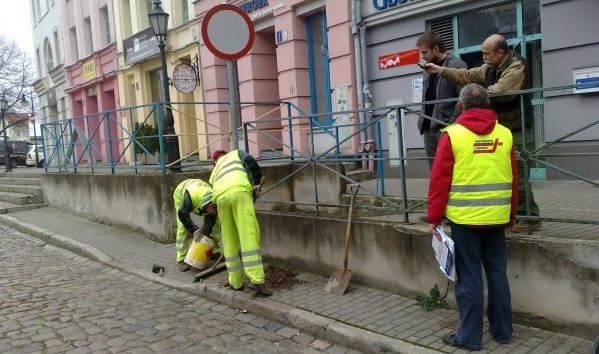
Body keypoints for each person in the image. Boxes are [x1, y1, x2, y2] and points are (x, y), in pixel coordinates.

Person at [427, 83, 517, 351]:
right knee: (498, 273)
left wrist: (434, 217)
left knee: (469, 278)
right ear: (489, 105)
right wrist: (511, 216)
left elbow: (439, 180)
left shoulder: (452, 135)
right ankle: (503, 332)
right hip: (497, 218)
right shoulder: (505, 134)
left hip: (465, 220)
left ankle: (469, 337)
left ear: (460, 106)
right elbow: (514, 179)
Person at [424, 33, 541, 233]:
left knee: (519, 174)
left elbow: (502, 91)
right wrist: (441, 70)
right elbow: (467, 75)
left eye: (487, 54)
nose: (484, 58)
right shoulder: (491, 67)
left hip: (518, 127)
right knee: (505, 173)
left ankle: (530, 217)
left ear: (500, 52)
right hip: (502, 127)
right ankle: (515, 215)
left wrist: (476, 97)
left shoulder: (516, 66)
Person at [208, 149, 272, 297]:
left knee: (230, 240)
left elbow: (215, 189)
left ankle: (235, 283)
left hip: (220, 200)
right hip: (240, 194)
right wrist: (256, 182)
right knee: (248, 235)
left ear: (214, 162)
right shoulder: (236, 153)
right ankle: (256, 281)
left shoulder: (215, 171)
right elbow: (250, 161)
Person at [416, 31, 467, 169]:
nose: (422, 57)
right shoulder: (426, 69)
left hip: (446, 127)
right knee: (435, 171)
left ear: (436, 49)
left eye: (425, 52)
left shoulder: (456, 65)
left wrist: (451, 123)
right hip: (428, 128)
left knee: (450, 169)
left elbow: (463, 98)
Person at [173, 179, 220, 272]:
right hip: (182, 193)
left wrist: (205, 238)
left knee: (215, 225)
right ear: (209, 205)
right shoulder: (190, 198)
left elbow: (209, 224)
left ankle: (213, 252)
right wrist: (194, 229)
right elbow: (182, 215)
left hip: (200, 192)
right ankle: (181, 258)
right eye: (213, 210)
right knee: (182, 228)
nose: (214, 213)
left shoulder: (214, 201)